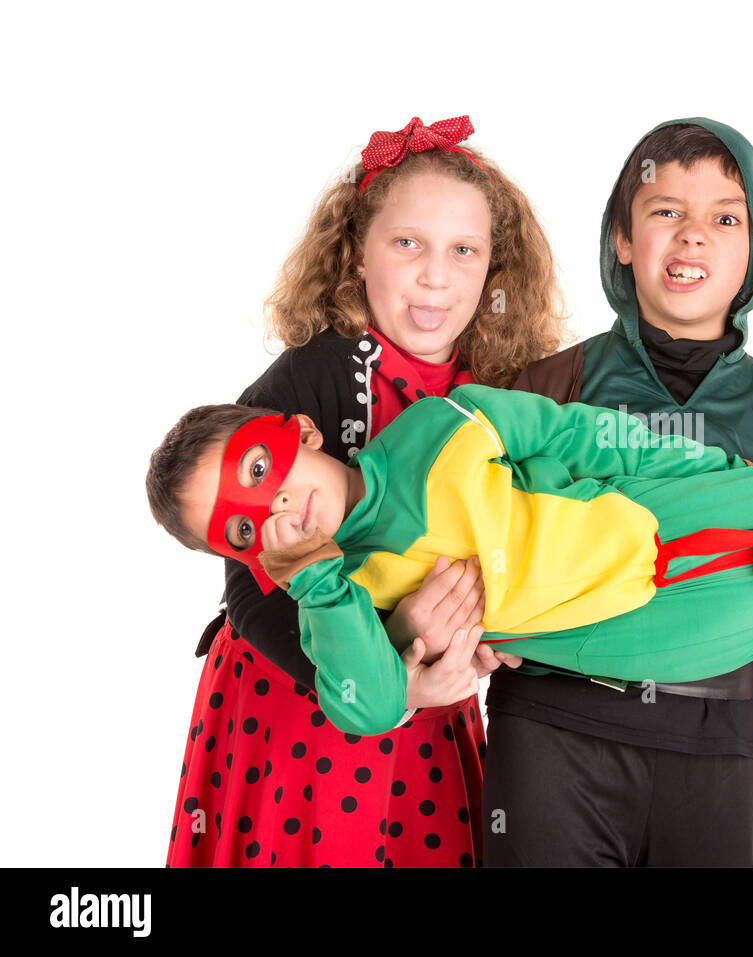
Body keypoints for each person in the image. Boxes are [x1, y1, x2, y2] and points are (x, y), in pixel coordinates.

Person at [147, 385, 753, 737]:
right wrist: (315, 577)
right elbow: (368, 706)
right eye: (242, 526)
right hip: (631, 625)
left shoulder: (439, 428)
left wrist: (700, 466)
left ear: (301, 429)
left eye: (260, 468)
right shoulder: (338, 595)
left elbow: (579, 433)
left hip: (653, 511)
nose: (271, 505)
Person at [163, 115, 567, 867]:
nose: (434, 276)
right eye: (407, 243)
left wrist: (492, 641)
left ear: (495, 269)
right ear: (355, 254)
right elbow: (248, 593)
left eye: (464, 251)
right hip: (295, 704)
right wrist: (384, 656)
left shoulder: (501, 387)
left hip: (427, 706)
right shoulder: (312, 377)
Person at [486, 118, 753, 867]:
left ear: (752, 251)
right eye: (666, 211)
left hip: (720, 740)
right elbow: (480, 536)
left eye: (725, 218)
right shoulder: (547, 388)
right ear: (623, 238)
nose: (693, 235)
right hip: (552, 723)